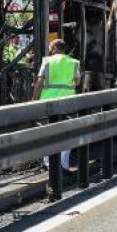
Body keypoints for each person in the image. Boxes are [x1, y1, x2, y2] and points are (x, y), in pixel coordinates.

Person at [32, 39, 81, 171]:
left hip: (49, 103)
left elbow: (40, 82)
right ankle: (63, 165)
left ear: (54, 48)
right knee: (67, 133)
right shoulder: (74, 62)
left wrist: (34, 99)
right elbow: (77, 82)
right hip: (67, 103)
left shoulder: (47, 61)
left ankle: (50, 164)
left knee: (48, 134)